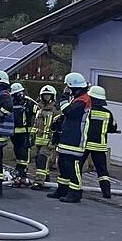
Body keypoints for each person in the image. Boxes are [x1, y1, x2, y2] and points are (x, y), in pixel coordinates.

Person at [47, 72, 91, 203]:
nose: (66, 89)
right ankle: (62, 189)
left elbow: (68, 111)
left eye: (68, 87)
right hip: (67, 137)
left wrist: (64, 97)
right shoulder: (78, 98)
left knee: (73, 166)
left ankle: (75, 192)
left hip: (76, 139)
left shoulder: (84, 100)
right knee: (63, 164)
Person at [84, 85, 119, 198]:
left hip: (85, 144)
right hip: (100, 146)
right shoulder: (108, 113)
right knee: (102, 170)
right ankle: (106, 192)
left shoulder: (87, 111)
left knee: (77, 167)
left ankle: (74, 189)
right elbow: (112, 127)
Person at [30, 85, 60, 190]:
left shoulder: (55, 110)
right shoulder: (39, 109)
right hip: (39, 140)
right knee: (40, 160)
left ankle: (39, 182)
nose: (46, 97)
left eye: (48, 95)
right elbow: (36, 124)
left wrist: (53, 141)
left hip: (48, 140)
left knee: (42, 159)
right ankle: (46, 180)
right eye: (44, 95)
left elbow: (57, 127)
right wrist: (32, 136)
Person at [9, 82, 36, 187]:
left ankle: (22, 174)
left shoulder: (29, 102)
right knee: (18, 153)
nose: (18, 96)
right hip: (14, 134)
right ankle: (19, 174)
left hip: (25, 133)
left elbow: (38, 113)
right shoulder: (12, 102)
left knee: (24, 155)